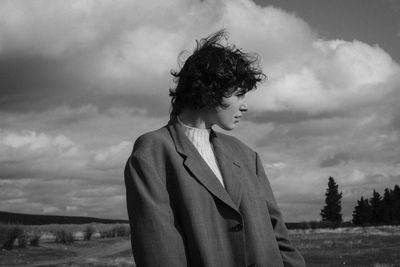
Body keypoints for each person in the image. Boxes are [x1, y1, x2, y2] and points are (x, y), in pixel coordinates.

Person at [124, 30, 305, 267]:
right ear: (210, 89)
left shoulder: (247, 155)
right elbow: (158, 253)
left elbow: (280, 238)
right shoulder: (152, 153)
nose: (245, 106)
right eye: (239, 94)